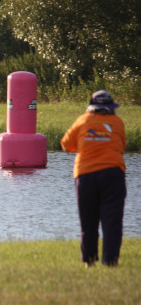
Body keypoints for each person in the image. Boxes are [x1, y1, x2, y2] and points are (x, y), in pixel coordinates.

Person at [60, 90, 127, 268]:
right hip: (113, 174)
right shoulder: (117, 122)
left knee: (88, 221)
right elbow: (122, 146)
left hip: (85, 175)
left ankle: (89, 262)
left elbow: (66, 145)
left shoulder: (83, 120)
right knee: (112, 221)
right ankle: (110, 263)